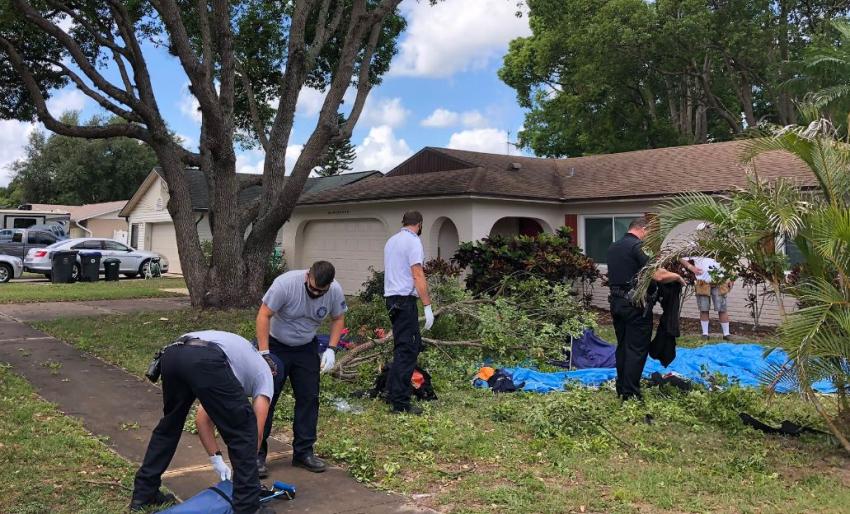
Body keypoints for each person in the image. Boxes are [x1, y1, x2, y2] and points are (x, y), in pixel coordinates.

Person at [130, 330, 275, 514]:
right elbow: (255, 432)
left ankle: (144, 493)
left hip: (173, 355)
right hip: (203, 358)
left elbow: (203, 417)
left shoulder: (238, 362)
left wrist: (216, 458)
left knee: (170, 426)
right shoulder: (266, 376)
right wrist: (248, 477)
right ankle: (248, 507)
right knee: (244, 429)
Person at [255, 261, 347, 476]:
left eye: (320, 291)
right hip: (276, 346)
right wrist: (264, 353)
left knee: (309, 398)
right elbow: (263, 315)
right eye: (313, 288)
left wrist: (332, 348)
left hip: (306, 348)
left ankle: (303, 453)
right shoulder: (285, 284)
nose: (316, 293)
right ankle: (257, 454)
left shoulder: (334, 291)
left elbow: (338, 318)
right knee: (267, 398)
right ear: (308, 276)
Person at [607, 217, 685, 401]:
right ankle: (630, 394)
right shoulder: (638, 247)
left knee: (623, 347)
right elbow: (657, 274)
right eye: (649, 233)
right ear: (643, 229)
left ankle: (622, 387)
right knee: (636, 349)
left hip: (617, 304)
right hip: (636, 306)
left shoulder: (613, 247)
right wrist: (677, 277)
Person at [383, 211, 434, 415]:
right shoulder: (413, 242)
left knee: (401, 347)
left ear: (403, 222)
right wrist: (427, 306)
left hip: (391, 299)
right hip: (404, 301)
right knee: (408, 350)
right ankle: (400, 403)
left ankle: (392, 393)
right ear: (419, 225)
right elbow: (417, 273)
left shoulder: (392, 241)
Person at [680, 256, 734, 340]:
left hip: (720, 282)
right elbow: (681, 258)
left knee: (722, 309)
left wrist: (732, 278)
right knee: (704, 309)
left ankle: (726, 334)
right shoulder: (697, 248)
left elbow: (730, 261)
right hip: (702, 282)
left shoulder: (720, 246)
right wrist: (691, 267)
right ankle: (705, 334)